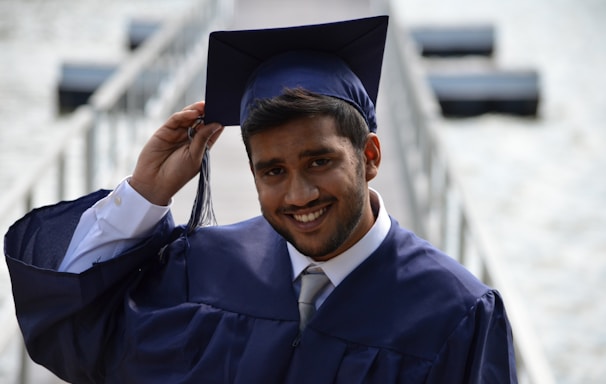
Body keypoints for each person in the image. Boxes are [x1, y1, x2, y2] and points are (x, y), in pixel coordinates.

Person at [4, 16, 517, 383]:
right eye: (273, 170)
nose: (299, 194)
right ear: (251, 173)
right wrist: (146, 193)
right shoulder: (202, 268)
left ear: (371, 156)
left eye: (320, 161)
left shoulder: (456, 312)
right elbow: (75, 333)